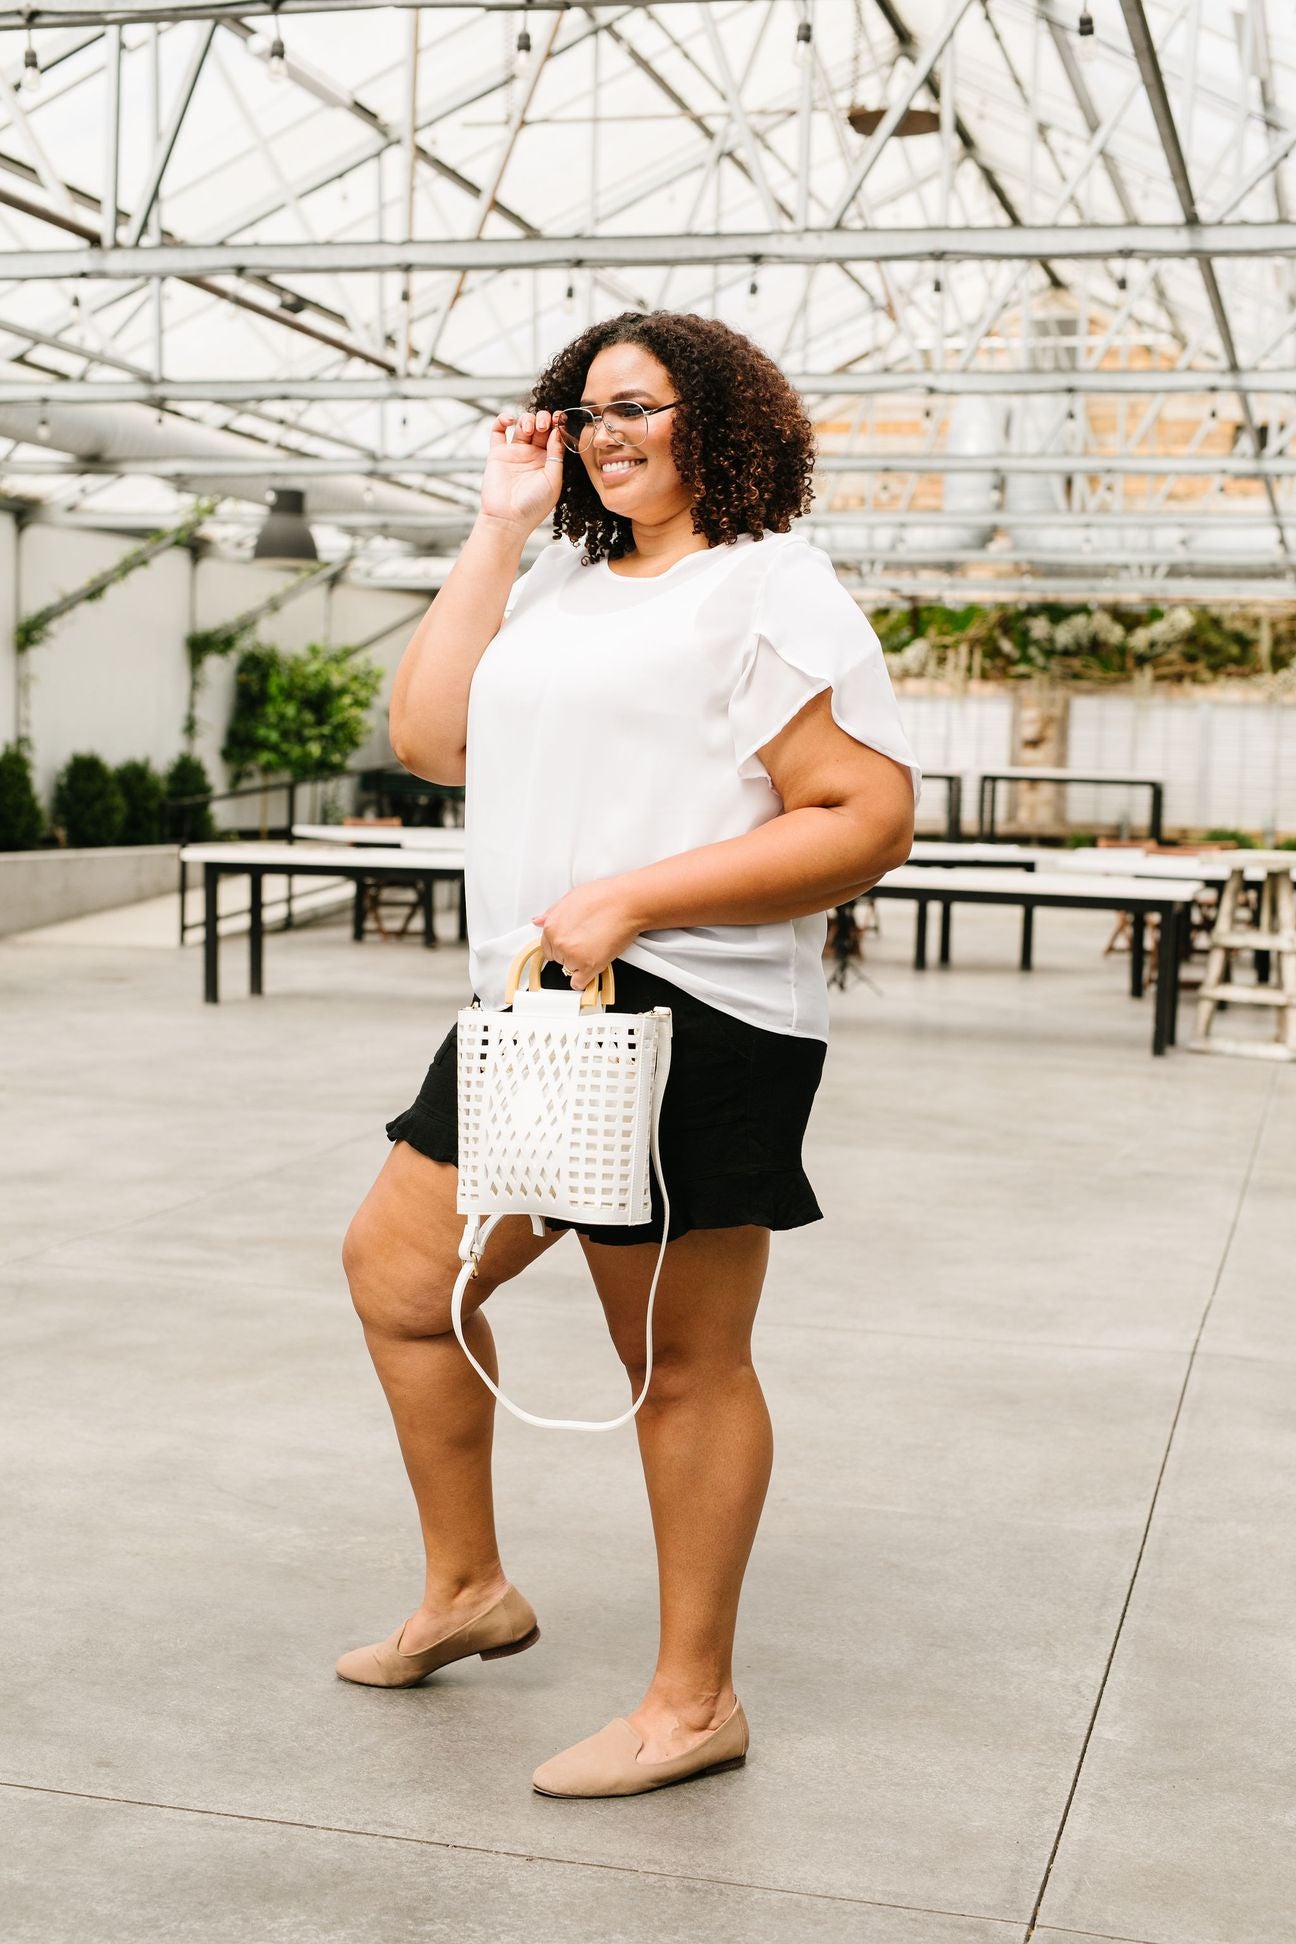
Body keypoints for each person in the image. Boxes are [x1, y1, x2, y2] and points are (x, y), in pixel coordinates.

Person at [338, 309, 919, 1798]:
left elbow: (861, 816)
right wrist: (499, 525)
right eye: (588, 411)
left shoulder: (767, 586)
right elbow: (428, 736)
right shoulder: (559, 580)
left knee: (676, 1361)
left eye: (643, 406)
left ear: (716, 420)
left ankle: (692, 1701)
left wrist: (638, 894)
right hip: (537, 1009)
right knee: (404, 1283)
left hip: (698, 1013)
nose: (610, 433)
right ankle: (469, 1590)